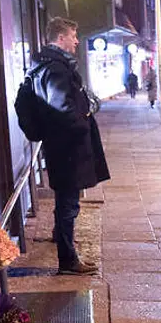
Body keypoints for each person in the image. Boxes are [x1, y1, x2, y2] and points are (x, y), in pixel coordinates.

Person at [30, 16, 110, 275]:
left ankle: (63, 245)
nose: (76, 42)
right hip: (67, 149)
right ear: (61, 37)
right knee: (68, 204)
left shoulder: (48, 66)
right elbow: (62, 108)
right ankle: (68, 260)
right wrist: (83, 119)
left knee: (66, 202)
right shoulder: (55, 69)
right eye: (73, 37)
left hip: (62, 147)